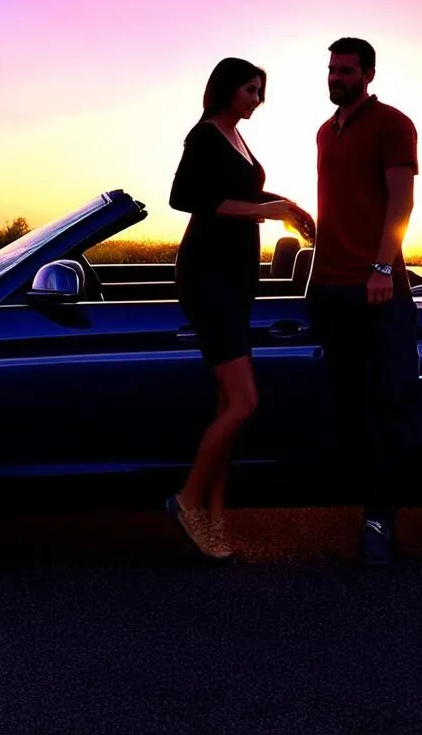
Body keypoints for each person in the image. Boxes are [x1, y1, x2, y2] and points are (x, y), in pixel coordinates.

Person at [166, 57, 315, 560]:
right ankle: (187, 504)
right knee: (245, 402)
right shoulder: (204, 135)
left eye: (261, 91)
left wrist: (287, 208)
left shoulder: (236, 137)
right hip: (207, 276)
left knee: (226, 405)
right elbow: (186, 198)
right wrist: (264, 212)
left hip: (235, 279)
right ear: (228, 89)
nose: (258, 99)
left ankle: (216, 518)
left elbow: (243, 193)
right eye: (252, 90)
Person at [305, 36, 419, 566]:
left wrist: (380, 268)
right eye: (332, 70)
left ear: (368, 74)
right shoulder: (326, 132)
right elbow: (341, 205)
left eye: (346, 71)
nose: (336, 78)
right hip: (328, 289)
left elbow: (401, 201)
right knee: (345, 408)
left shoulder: (393, 124)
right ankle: (354, 501)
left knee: (386, 407)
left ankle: (381, 520)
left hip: (376, 292)